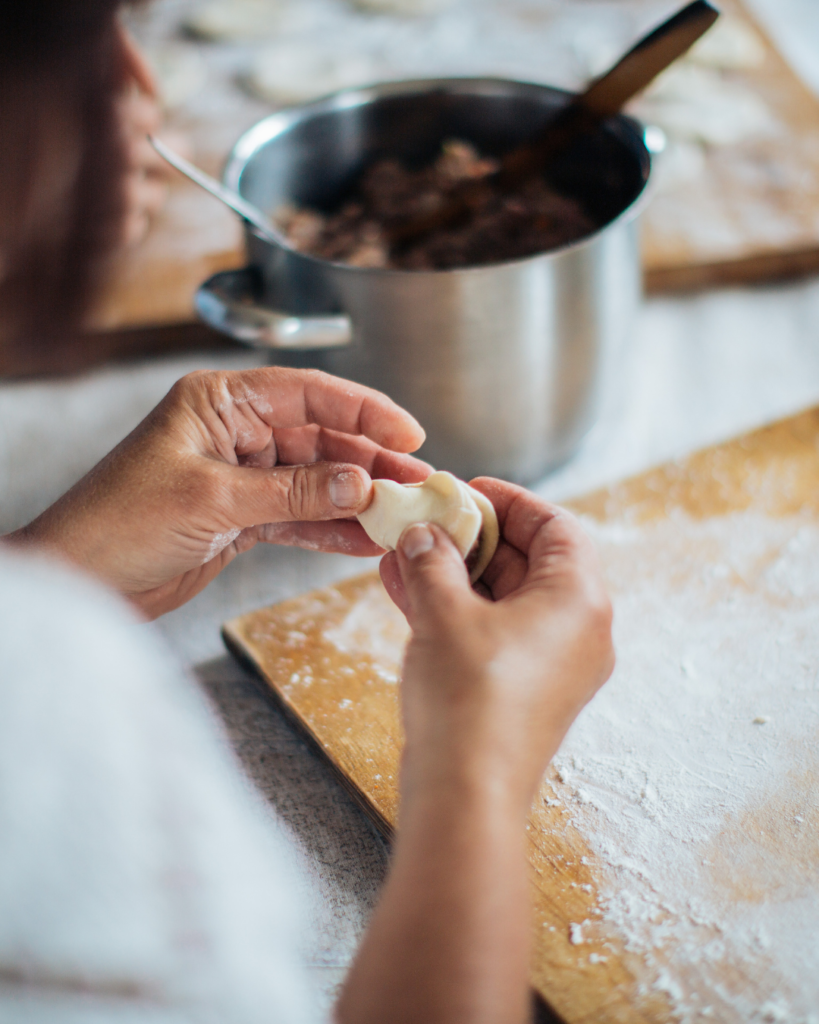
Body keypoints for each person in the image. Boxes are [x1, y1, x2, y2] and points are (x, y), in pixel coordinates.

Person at [0, 3, 615, 1022]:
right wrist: (479, 763)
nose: (140, 82)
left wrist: (56, 568)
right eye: (99, 28)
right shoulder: (64, 719)